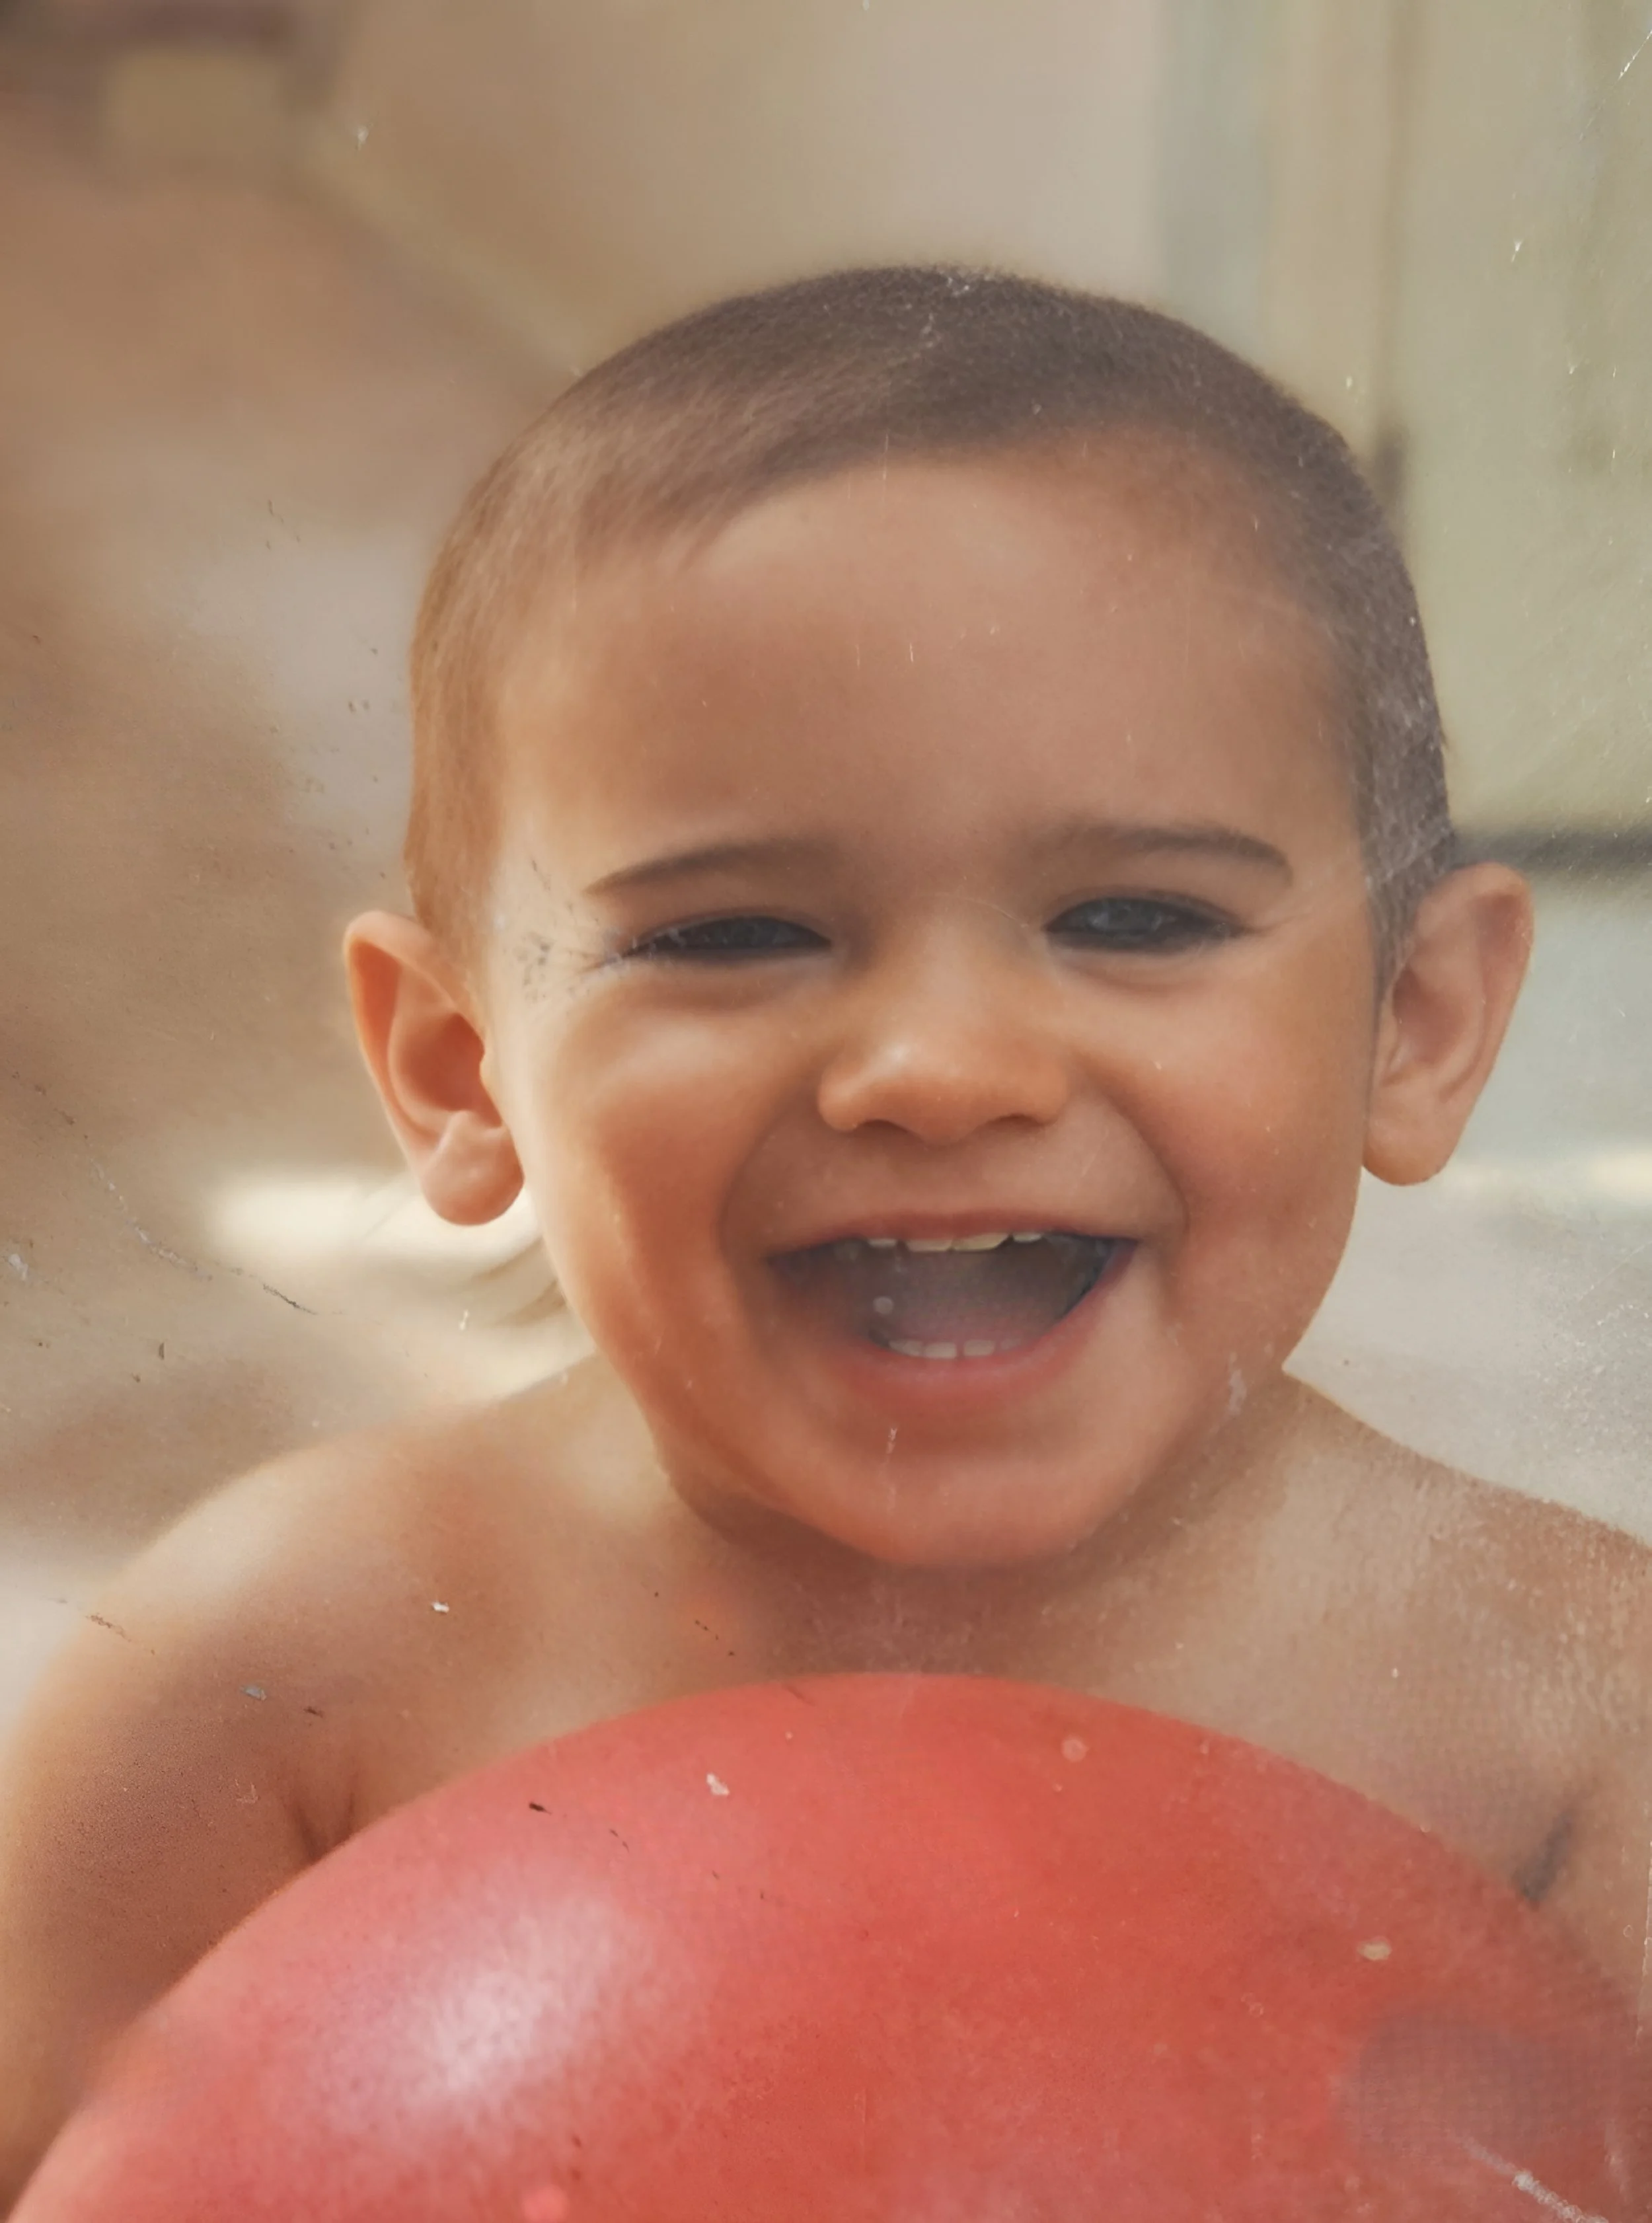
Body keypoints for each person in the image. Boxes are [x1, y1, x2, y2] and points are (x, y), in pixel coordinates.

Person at [1, 266, 1643, 2200]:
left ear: (1415, 1024)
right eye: (730, 932)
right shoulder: (282, 1665)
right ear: (458, 1068)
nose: (940, 1071)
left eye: (1133, 917)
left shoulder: (1569, 1709)